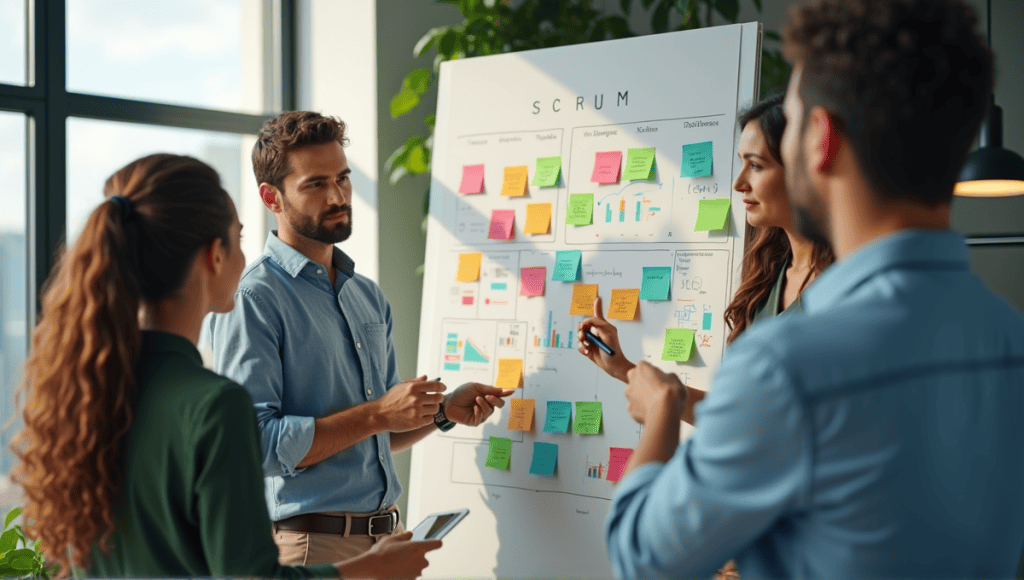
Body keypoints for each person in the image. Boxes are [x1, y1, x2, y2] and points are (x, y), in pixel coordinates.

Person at [603, 0, 1024, 577]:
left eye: (793, 124)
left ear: (822, 138)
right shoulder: (1009, 336)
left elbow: (642, 557)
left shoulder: (786, 363)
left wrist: (660, 412)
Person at [9, 154, 441, 579]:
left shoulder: (85, 393)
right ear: (214, 256)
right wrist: (373, 569)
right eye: (238, 238)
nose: (245, 259)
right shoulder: (213, 406)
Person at [205, 111, 515, 565]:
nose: (337, 196)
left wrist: (442, 413)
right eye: (315, 184)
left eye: (343, 178)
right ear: (271, 197)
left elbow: (375, 435)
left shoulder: (365, 295)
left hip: (388, 538)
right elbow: (257, 445)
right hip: (311, 549)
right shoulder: (253, 298)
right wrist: (377, 413)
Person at [578, 94, 835, 425]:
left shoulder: (846, 283)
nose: (739, 183)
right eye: (742, 163)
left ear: (799, 169)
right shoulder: (768, 276)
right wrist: (624, 368)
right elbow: (737, 413)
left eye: (755, 165)